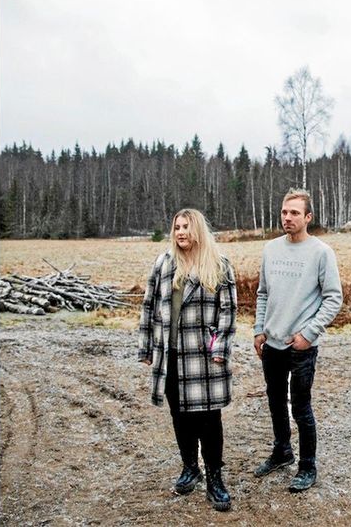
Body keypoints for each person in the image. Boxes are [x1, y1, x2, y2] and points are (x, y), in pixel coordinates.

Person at [137, 208, 238, 512]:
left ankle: (215, 478)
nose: (180, 232)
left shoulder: (219, 266)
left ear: (198, 231)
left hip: (204, 358)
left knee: (208, 420)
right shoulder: (164, 263)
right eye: (176, 227)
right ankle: (190, 467)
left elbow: (228, 312)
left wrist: (219, 349)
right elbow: (148, 305)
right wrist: (147, 348)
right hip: (170, 357)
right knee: (180, 417)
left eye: (186, 227)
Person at [252, 189, 342, 492]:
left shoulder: (321, 252)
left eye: (294, 213)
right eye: (284, 212)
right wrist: (258, 330)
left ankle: (307, 466)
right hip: (272, 343)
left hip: (301, 346)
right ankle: (282, 452)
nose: (287, 218)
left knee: (301, 408)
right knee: (276, 401)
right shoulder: (271, 249)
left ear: (308, 217)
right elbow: (263, 293)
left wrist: (309, 334)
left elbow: (333, 299)